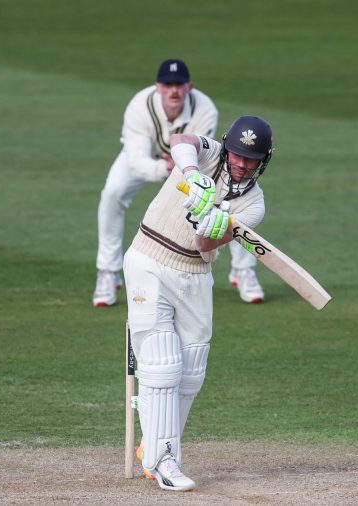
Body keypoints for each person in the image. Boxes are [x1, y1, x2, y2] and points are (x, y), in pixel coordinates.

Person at [124, 115, 274, 491]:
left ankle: (152, 444)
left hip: (194, 276)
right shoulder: (209, 156)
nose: (241, 164)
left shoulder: (253, 206)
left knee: (191, 371)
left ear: (263, 161)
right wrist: (192, 175)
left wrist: (208, 224)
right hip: (149, 258)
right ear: (228, 149)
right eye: (237, 156)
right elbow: (180, 137)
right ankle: (164, 460)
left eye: (250, 160)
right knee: (162, 362)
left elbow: (205, 247)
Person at [93, 59, 264, 307]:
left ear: (189, 87)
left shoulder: (205, 109)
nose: (174, 90)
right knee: (112, 193)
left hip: (191, 162)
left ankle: (243, 270)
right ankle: (107, 272)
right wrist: (164, 168)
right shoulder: (139, 106)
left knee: (230, 201)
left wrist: (186, 167)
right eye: (168, 84)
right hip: (151, 158)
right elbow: (137, 159)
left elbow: (199, 147)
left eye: (179, 85)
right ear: (157, 87)